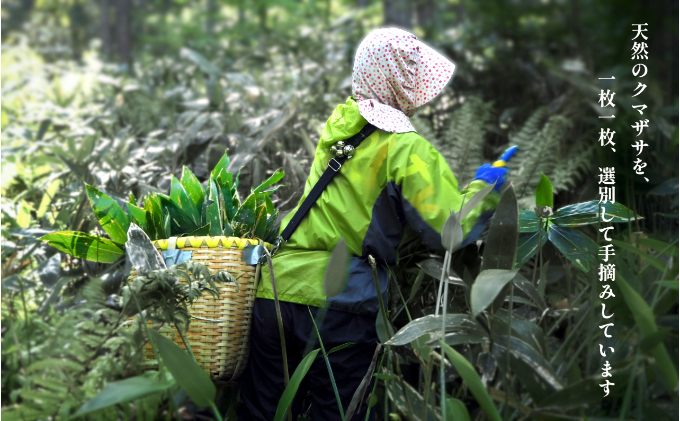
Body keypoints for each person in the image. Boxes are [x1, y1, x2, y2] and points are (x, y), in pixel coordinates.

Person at [237, 27, 514, 421]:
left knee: (262, 413)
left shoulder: (339, 125)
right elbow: (447, 230)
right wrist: (485, 188)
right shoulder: (405, 147)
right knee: (338, 413)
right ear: (402, 82)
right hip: (341, 307)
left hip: (276, 293)